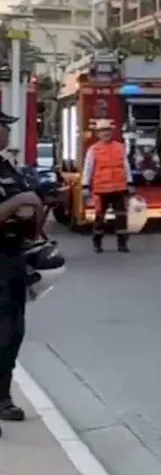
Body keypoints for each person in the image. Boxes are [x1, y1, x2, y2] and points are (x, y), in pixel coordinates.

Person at [0, 109, 46, 431]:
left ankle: (3, 396)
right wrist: (18, 204)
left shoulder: (6, 167)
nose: (7, 132)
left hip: (13, 257)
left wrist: (41, 207)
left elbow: (28, 212)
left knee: (15, 331)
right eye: (3, 127)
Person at [82, 121, 134, 254]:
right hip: (101, 190)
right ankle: (97, 243)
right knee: (100, 217)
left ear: (112, 132)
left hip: (119, 189)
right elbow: (88, 168)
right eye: (103, 131)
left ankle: (122, 244)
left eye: (108, 130)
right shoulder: (93, 149)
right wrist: (85, 185)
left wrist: (130, 183)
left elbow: (126, 166)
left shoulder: (120, 147)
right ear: (98, 134)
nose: (106, 133)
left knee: (121, 217)